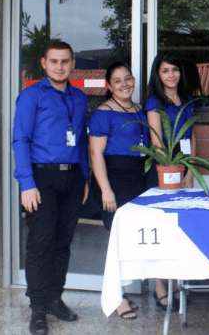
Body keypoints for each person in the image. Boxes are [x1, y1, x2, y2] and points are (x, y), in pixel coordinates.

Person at [12, 41, 89, 335]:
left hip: (72, 179)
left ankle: (55, 298)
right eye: (54, 61)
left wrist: (85, 178)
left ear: (72, 64)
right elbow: (20, 140)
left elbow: (80, 141)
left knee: (63, 242)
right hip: (41, 178)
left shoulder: (80, 98)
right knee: (40, 243)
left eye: (65, 61)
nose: (60, 66)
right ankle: (38, 308)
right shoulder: (31, 96)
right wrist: (27, 184)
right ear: (44, 63)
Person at [88, 61, 148, 319]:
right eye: (118, 81)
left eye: (128, 78)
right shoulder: (102, 113)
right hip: (115, 178)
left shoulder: (140, 110)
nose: (125, 84)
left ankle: (141, 288)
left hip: (140, 178)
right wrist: (106, 190)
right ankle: (119, 297)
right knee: (118, 240)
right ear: (108, 86)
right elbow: (95, 152)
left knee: (137, 237)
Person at [145, 51, 198, 310]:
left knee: (181, 227)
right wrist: (172, 171)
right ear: (158, 74)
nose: (171, 75)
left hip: (185, 169)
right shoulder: (155, 101)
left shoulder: (187, 99)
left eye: (175, 70)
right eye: (165, 70)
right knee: (162, 229)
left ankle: (178, 282)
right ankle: (159, 285)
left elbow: (193, 136)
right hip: (165, 169)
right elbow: (156, 141)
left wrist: (189, 171)